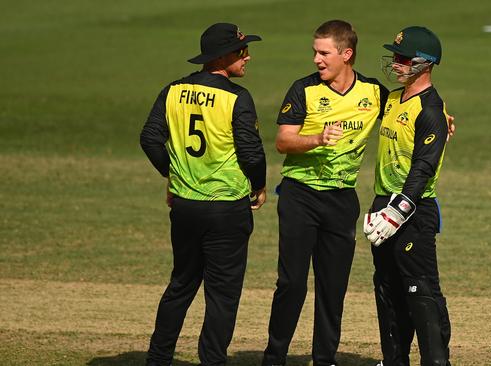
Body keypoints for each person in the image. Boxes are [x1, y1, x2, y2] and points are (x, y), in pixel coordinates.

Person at [261, 20, 389, 366]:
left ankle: (324, 358)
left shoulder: (374, 93)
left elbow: (409, 111)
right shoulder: (303, 90)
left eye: (323, 53)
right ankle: (274, 357)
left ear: (346, 54)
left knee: (333, 287)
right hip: (299, 196)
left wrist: (441, 117)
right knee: (292, 283)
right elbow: (283, 141)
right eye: (315, 52)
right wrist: (316, 139)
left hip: (341, 199)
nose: (316, 59)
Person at [139, 22, 266, 366]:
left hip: (184, 207)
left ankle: (158, 358)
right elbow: (251, 153)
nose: (247, 56)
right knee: (222, 295)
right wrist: (258, 186)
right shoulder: (237, 98)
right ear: (222, 57)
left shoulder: (173, 90)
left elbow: (149, 138)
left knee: (181, 284)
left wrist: (172, 172)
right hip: (226, 208)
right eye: (241, 51)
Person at [363, 26, 452, 366]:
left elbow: (423, 168)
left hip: (414, 210)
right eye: (395, 57)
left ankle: (436, 360)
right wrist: (383, 208)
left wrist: (397, 212)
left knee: (421, 290)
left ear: (425, 64)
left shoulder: (431, 110)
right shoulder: (391, 99)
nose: (396, 64)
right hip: (382, 203)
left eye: (403, 58)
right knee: (386, 288)